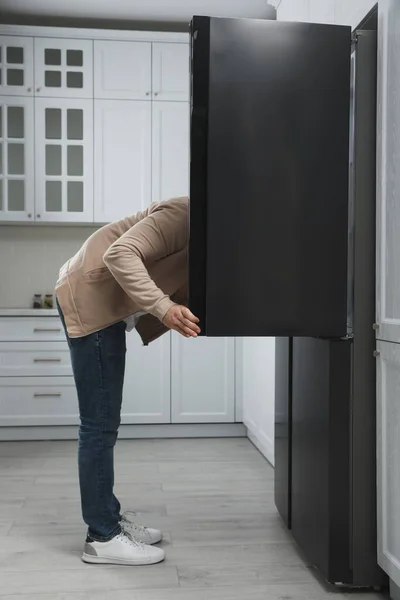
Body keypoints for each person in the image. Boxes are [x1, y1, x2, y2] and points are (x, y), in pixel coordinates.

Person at [55, 196, 200, 566]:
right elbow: (120, 255)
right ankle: (102, 538)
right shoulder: (185, 213)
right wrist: (165, 309)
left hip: (103, 303)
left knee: (103, 423)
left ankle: (109, 519)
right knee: (99, 424)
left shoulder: (211, 229)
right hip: (91, 300)